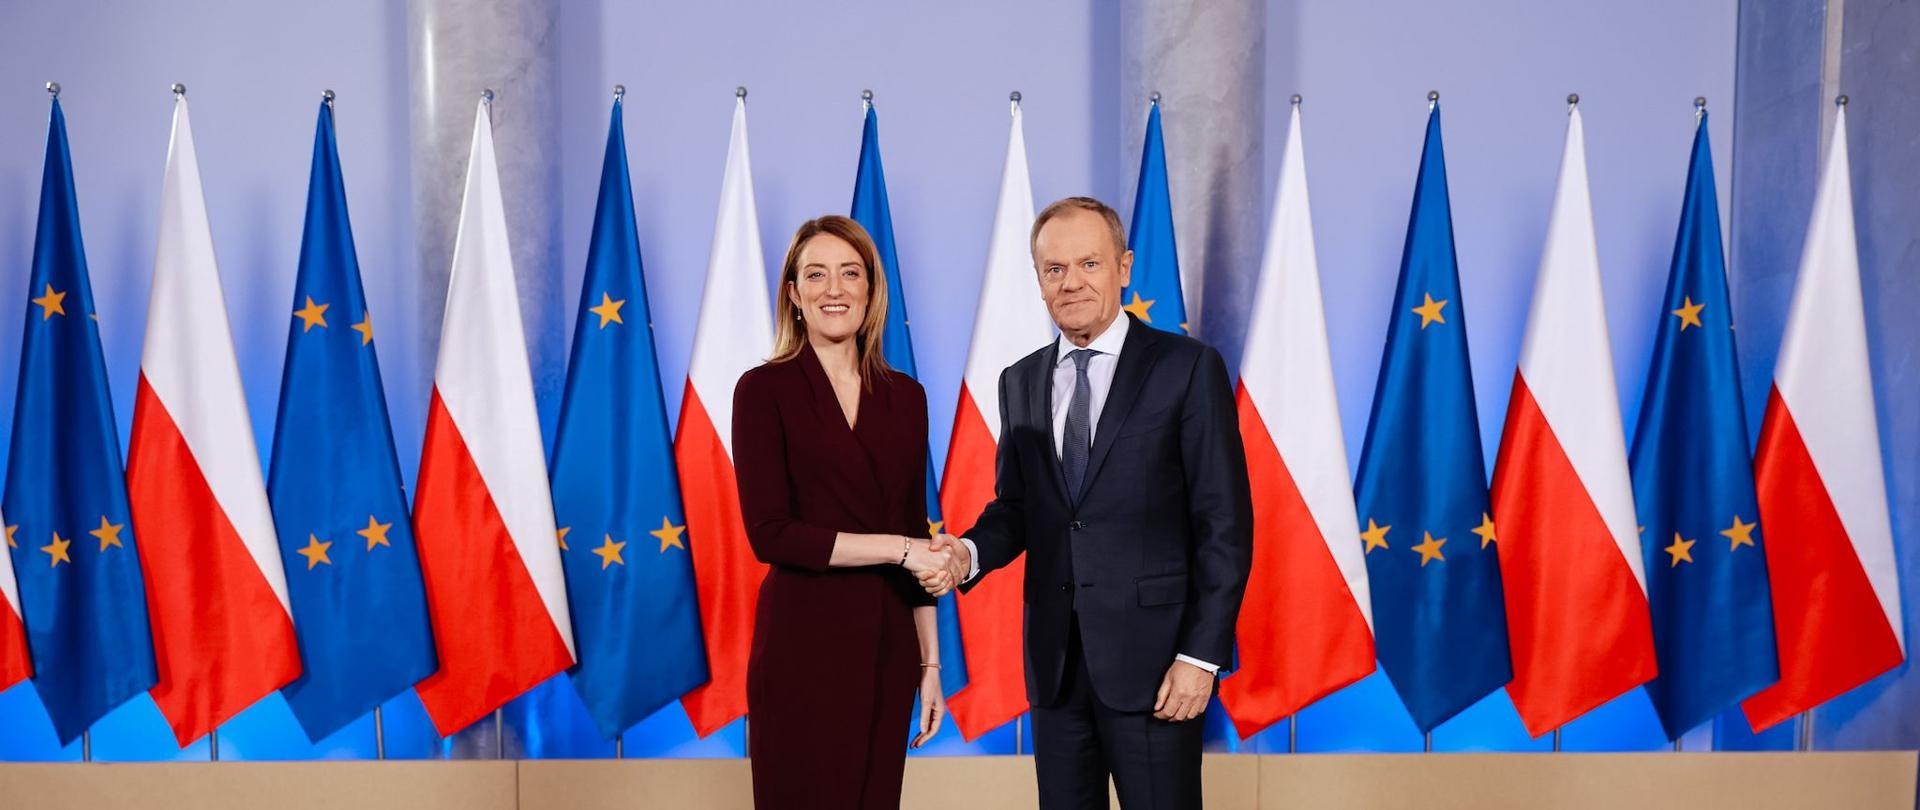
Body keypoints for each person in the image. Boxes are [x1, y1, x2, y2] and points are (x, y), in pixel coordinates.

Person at [922, 197, 1253, 808]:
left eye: (1089, 264)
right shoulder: (1019, 380)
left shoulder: (1186, 368)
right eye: (1054, 269)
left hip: (1158, 667)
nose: (1070, 282)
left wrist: (1201, 656)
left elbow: (1224, 524)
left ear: (1123, 268)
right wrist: (968, 553)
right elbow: (1018, 507)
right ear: (1039, 279)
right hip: (1056, 668)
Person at [731, 215, 955, 809]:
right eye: (816, 274)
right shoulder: (762, 390)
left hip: (888, 647)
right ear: (793, 294)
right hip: (802, 643)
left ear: (870, 290)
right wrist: (901, 550)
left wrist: (931, 664)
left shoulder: (907, 397)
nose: (834, 289)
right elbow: (771, 535)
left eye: (850, 273)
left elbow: (914, 529)